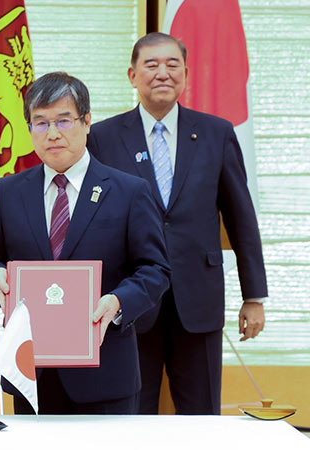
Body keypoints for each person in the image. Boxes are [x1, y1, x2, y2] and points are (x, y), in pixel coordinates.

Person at [86, 32, 268, 415]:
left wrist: (253, 296)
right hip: (129, 300)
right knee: (131, 415)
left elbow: (241, 218)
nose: (162, 73)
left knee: (201, 415)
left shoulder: (217, 133)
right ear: (132, 75)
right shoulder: (102, 137)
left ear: (186, 74)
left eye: (172, 65)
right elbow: (91, 221)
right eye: (151, 65)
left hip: (198, 298)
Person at [0, 72, 170, 414]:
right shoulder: (9, 192)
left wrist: (118, 302)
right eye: (40, 123)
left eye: (64, 120)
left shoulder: (128, 191)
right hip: (31, 369)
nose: (52, 133)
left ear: (87, 121)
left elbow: (155, 270)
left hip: (105, 371)